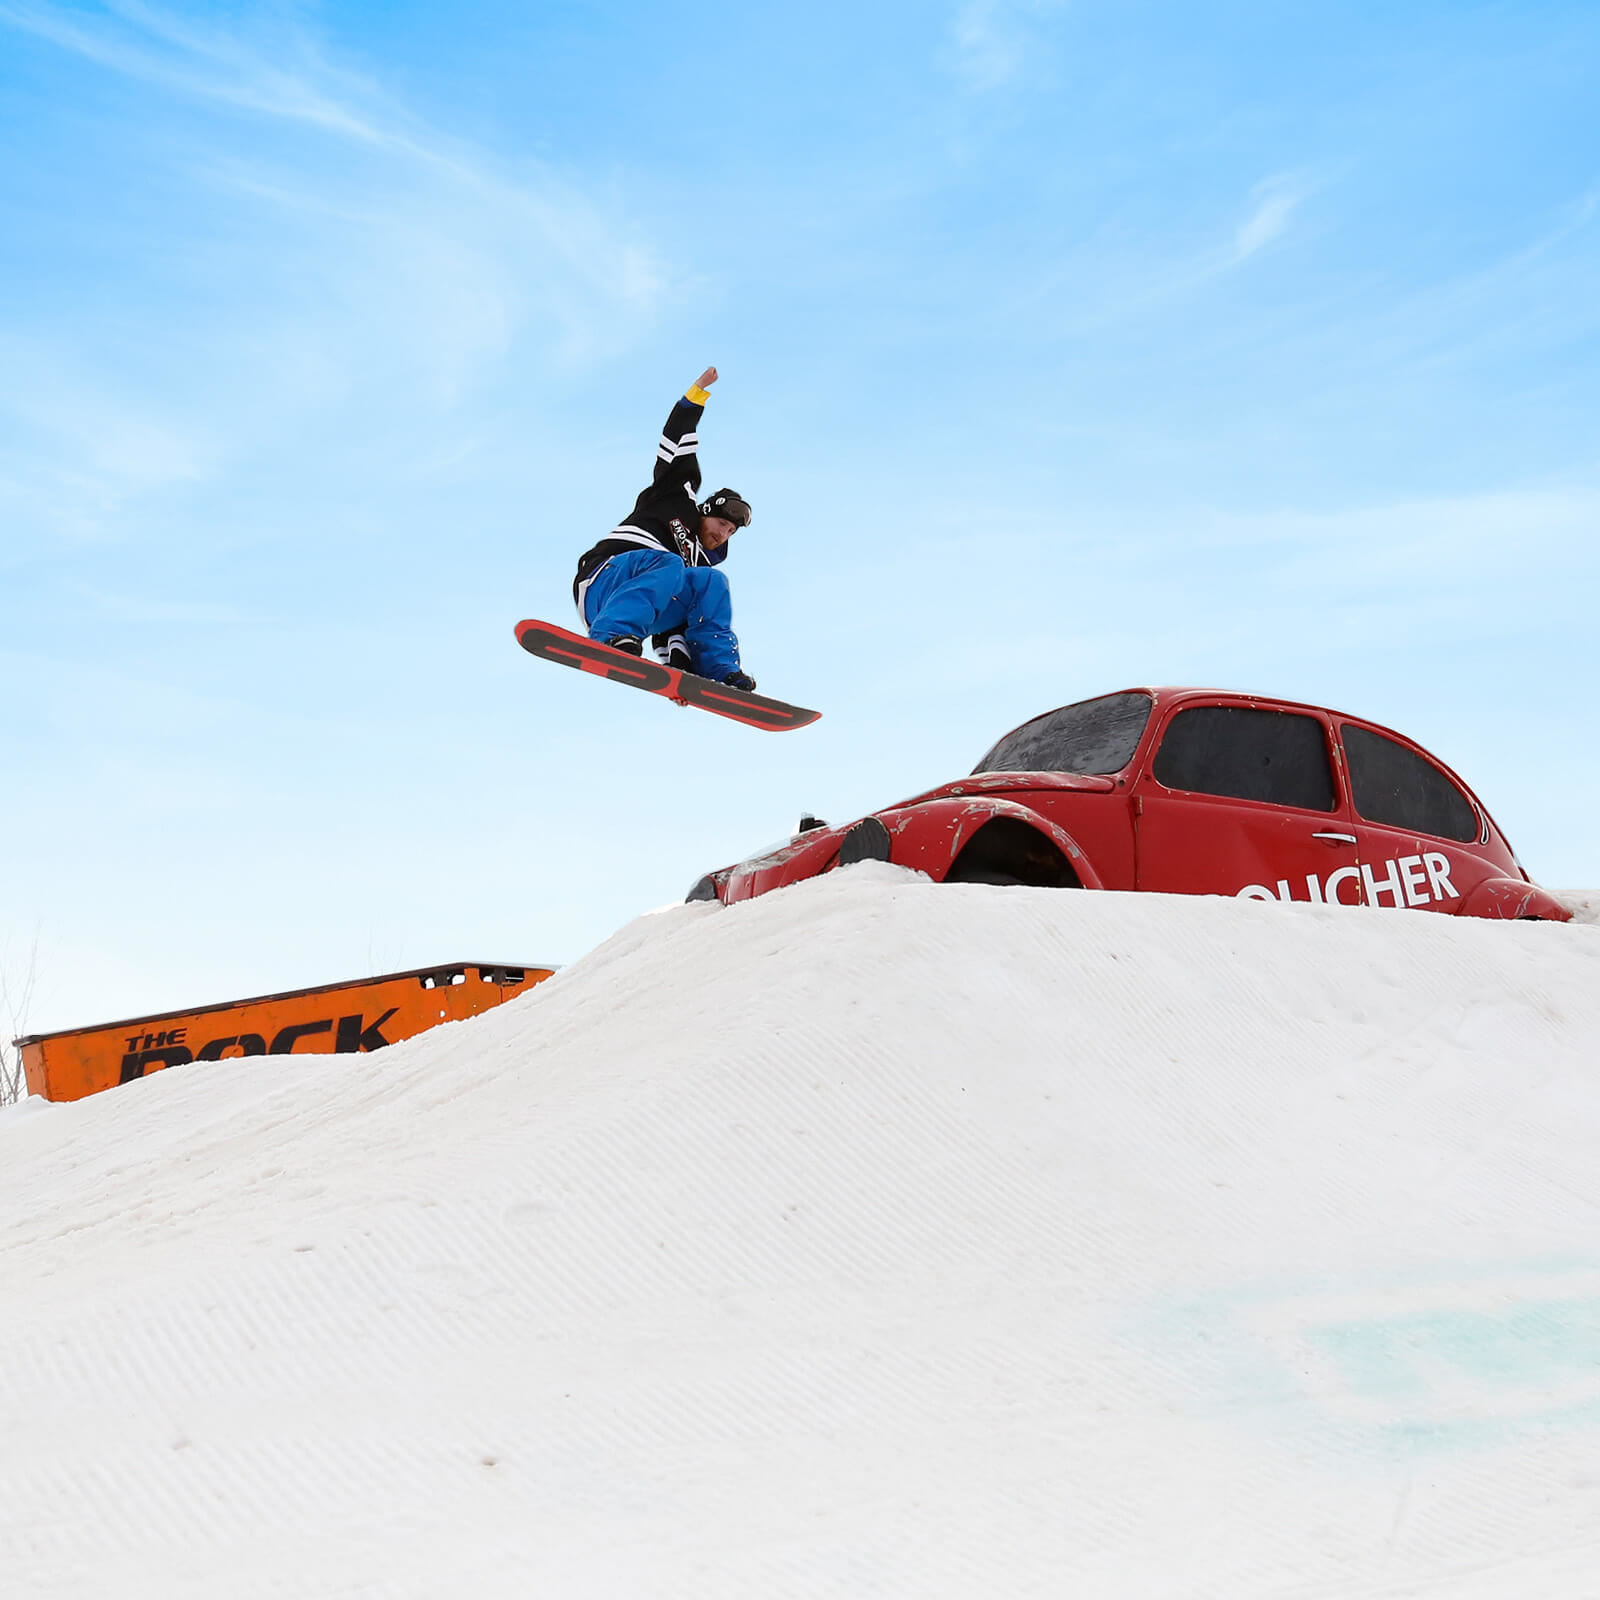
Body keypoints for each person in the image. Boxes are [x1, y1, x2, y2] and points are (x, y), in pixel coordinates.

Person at [572, 367, 757, 691]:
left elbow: (676, 619)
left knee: (712, 582)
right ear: (706, 511)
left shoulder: (697, 565)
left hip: (644, 606)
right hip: (604, 581)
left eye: (731, 533)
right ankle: (610, 636)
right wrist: (695, 395)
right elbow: (676, 437)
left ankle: (714, 669)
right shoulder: (675, 495)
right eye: (722, 524)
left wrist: (680, 676)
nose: (723, 535)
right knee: (669, 563)